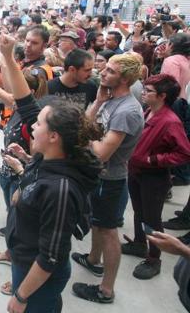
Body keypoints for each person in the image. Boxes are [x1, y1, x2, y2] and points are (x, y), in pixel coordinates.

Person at [0, 33, 102, 312]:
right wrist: (7, 57)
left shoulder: (61, 189)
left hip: (37, 272)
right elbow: (25, 102)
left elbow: (50, 256)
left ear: (54, 136)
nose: (32, 125)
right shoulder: (47, 156)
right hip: (24, 261)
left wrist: (20, 297)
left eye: (39, 124)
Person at [72, 52, 144, 304]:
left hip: (109, 181)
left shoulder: (127, 111)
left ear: (124, 79)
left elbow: (101, 152)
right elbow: (86, 124)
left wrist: (88, 137)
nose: (103, 72)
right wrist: (99, 102)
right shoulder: (110, 99)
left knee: (108, 231)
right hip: (99, 178)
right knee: (98, 224)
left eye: (111, 71)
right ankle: (93, 260)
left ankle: (106, 290)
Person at [122, 74, 190, 280]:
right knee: (139, 211)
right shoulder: (149, 111)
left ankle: (154, 258)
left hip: (153, 178)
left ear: (162, 96)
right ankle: (140, 243)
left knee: (152, 218)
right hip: (136, 173)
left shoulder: (170, 122)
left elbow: (185, 152)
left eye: (148, 91)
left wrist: (154, 160)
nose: (143, 93)